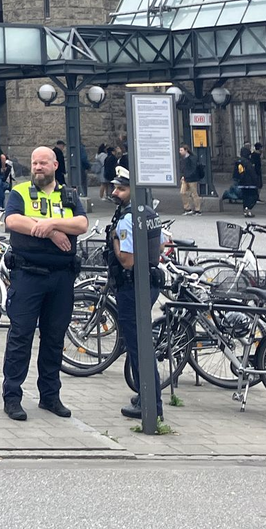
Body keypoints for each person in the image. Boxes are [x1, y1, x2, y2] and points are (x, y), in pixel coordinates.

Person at [0, 146, 89, 421]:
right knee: (21, 336)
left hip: (61, 277)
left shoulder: (69, 194)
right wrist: (52, 233)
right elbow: (13, 220)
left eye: (43, 163)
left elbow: (82, 224)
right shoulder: (21, 192)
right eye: (34, 163)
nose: (37, 167)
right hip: (28, 275)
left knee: (53, 338)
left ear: (54, 165)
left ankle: (50, 396)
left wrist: (50, 224)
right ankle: (12, 396)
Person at [105, 165, 164, 421]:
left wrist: (116, 242)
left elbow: (127, 261)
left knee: (138, 345)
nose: (116, 192)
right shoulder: (150, 213)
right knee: (140, 343)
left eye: (122, 188)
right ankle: (144, 394)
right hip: (148, 283)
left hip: (132, 286)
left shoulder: (128, 218)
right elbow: (159, 247)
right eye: (115, 187)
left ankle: (150, 404)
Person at [178, 143, 202, 215]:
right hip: (185, 178)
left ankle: (197, 209)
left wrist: (186, 175)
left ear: (186, 150)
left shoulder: (192, 158)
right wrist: (182, 176)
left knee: (194, 194)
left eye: (181, 150)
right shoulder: (183, 159)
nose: (180, 152)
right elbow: (182, 169)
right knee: (182, 192)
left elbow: (193, 168)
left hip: (192, 178)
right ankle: (187, 208)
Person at [235, 144, 259, 216]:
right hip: (250, 183)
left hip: (242, 183)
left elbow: (239, 172)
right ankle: (248, 208)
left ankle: (246, 209)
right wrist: (256, 181)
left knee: (245, 197)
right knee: (254, 196)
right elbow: (251, 173)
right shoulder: (247, 162)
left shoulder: (239, 161)